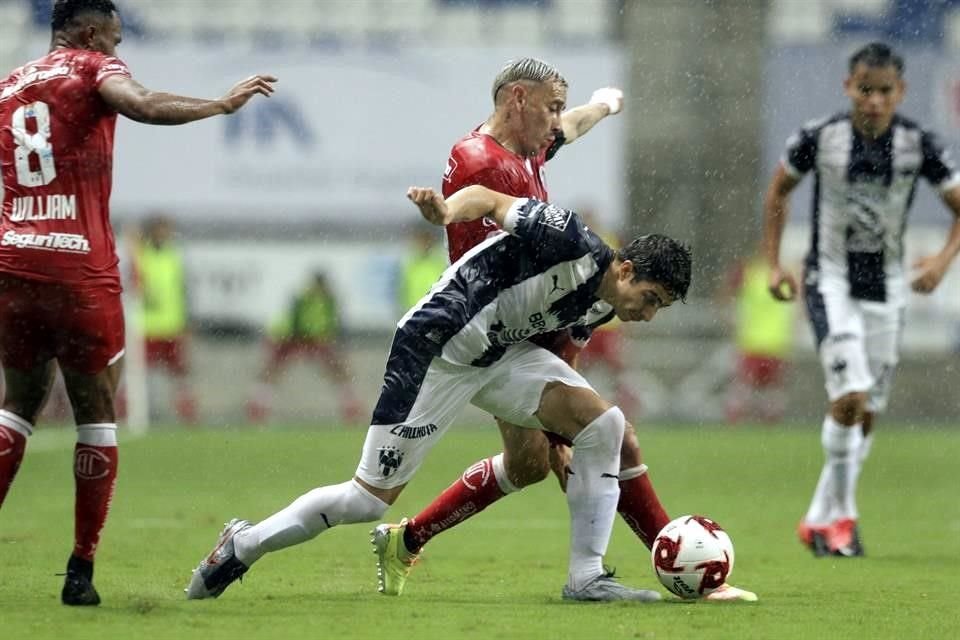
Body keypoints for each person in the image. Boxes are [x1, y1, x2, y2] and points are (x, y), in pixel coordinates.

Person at [186, 185, 690, 603]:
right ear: (626, 270)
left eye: (658, 309)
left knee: (605, 425)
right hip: (436, 349)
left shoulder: (601, 305)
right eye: (649, 300)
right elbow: (491, 199)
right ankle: (243, 544)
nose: (647, 315)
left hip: (498, 356)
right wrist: (447, 211)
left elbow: (563, 356)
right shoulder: (572, 238)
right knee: (365, 501)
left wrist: (561, 431)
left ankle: (586, 579)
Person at [373, 58, 754, 602]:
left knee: (531, 463)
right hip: (488, 330)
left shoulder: (534, 164)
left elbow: (567, 128)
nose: (555, 125)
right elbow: (489, 211)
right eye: (549, 110)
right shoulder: (489, 165)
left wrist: (604, 105)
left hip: (524, 332)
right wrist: (563, 426)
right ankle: (672, 569)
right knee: (607, 438)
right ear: (518, 102)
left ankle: (406, 538)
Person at [0, 0, 275, 606]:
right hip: (79, 266)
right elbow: (144, 104)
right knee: (95, 411)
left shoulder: (10, 86)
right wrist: (220, 105)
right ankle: (80, 571)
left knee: (16, 406)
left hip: (13, 260)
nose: (119, 55)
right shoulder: (91, 68)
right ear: (91, 33)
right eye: (116, 41)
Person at [764, 42, 960, 557]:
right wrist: (773, 262)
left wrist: (941, 262)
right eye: (865, 89)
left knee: (866, 410)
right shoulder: (819, 137)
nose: (874, 101)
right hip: (830, 280)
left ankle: (816, 519)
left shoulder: (919, 145)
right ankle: (844, 520)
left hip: (888, 288)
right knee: (850, 397)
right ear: (848, 86)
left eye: (884, 91)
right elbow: (779, 191)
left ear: (901, 92)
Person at [246, 271, 363, 424]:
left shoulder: (328, 300)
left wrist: (332, 341)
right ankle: (257, 407)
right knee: (272, 371)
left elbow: (334, 324)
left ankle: (350, 407)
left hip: (314, 338)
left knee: (338, 370)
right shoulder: (304, 298)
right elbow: (296, 320)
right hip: (291, 337)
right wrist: (304, 341)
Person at [133, 215, 197, 423]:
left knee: (180, 374)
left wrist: (187, 321)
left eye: (167, 230)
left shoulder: (174, 256)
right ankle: (132, 413)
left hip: (172, 326)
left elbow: (183, 290)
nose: (165, 234)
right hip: (147, 326)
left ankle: (187, 415)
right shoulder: (140, 255)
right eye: (161, 230)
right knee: (139, 375)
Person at [721, 250, 794, 424]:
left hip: (768, 343)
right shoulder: (777, 274)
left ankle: (745, 427)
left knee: (760, 391)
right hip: (759, 342)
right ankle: (749, 427)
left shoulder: (754, 272)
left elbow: (724, 296)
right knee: (756, 390)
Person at [397, 226, 447, 314]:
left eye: (426, 240)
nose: (423, 244)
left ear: (432, 241)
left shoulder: (440, 262)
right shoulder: (410, 264)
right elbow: (401, 292)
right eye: (420, 240)